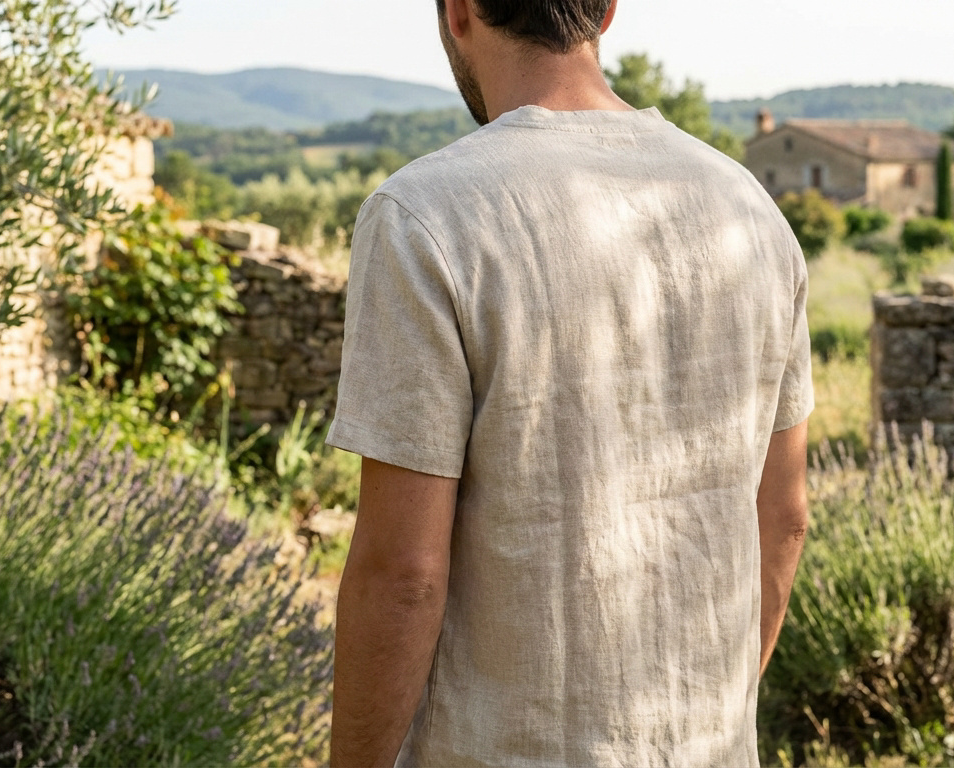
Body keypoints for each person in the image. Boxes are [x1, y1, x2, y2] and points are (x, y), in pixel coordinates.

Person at [326, 0, 814, 765]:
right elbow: (782, 518)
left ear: (458, 12)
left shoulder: (425, 217)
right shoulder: (749, 212)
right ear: (608, 9)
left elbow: (404, 574)